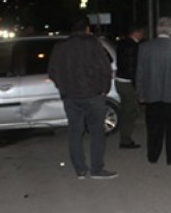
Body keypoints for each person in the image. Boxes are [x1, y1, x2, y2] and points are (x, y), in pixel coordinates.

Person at [47, 17, 118, 180]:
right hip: (93, 95)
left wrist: (63, 87)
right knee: (97, 133)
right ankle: (96, 169)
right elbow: (105, 68)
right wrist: (104, 89)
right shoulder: (93, 44)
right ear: (87, 29)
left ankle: (80, 169)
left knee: (75, 132)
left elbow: (52, 72)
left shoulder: (60, 47)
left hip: (71, 96)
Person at [136, 17, 171, 165]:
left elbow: (140, 73)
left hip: (152, 95)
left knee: (153, 127)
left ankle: (153, 156)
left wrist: (141, 93)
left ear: (157, 29)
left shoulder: (145, 48)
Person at [115, 23, 146, 149]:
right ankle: (125, 140)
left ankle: (125, 136)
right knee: (130, 111)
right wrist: (137, 86)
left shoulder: (122, 43)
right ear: (136, 33)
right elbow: (132, 68)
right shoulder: (133, 47)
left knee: (126, 109)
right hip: (127, 82)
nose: (143, 35)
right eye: (142, 33)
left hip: (119, 80)